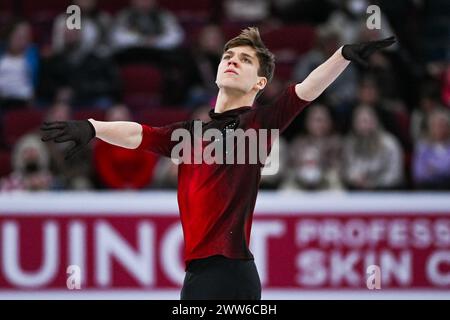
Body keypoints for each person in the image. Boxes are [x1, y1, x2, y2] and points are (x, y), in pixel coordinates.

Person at [40, 28, 395, 299]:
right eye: (229, 55)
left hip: (228, 272)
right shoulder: (188, 133)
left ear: (260, 82)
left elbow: (306, 90)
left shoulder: (260, 123)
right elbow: (139, 134)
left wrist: (343, 55)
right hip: (199, 275)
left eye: (244, 59)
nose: (232, 60)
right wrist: (93, 127)